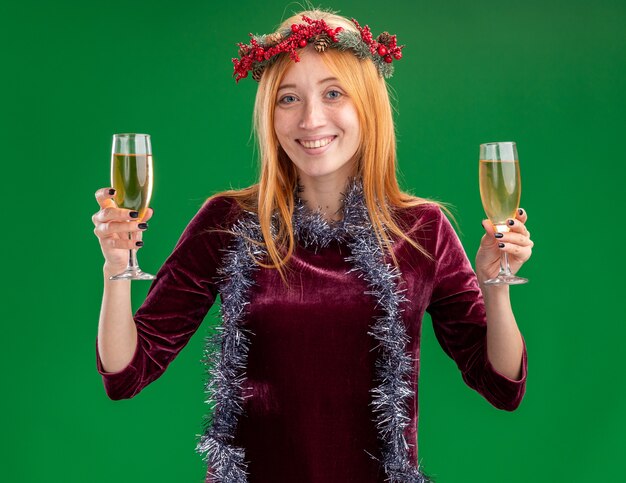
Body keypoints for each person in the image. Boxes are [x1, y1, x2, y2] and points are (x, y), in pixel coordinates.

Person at [92, 8, 533, 483]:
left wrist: (496, 286)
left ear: (367, 105)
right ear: (269, 113)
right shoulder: (227, 223)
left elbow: (501, 385)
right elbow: (126, 372)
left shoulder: (421, 229)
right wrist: (116, 268)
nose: (310, 119)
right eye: (288, 98)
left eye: (333, 93)